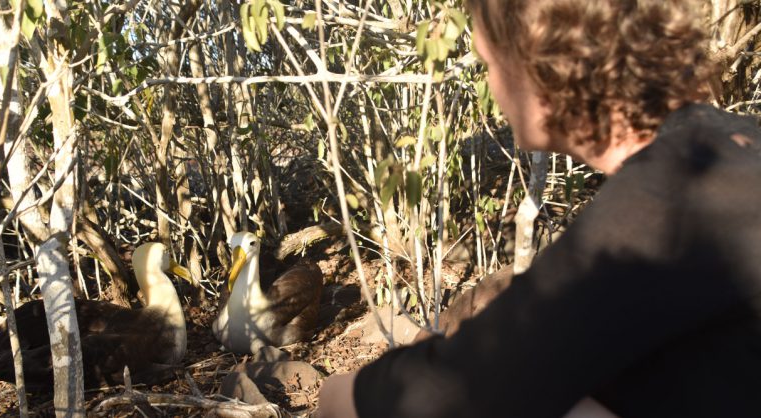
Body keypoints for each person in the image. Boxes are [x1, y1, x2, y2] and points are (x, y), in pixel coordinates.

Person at [318, 0, 761, 417]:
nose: (492, 84)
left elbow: (457, 389)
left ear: (537, 62)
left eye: (489, 63)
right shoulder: (730, 147)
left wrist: (338, 394)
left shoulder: (668, 195)